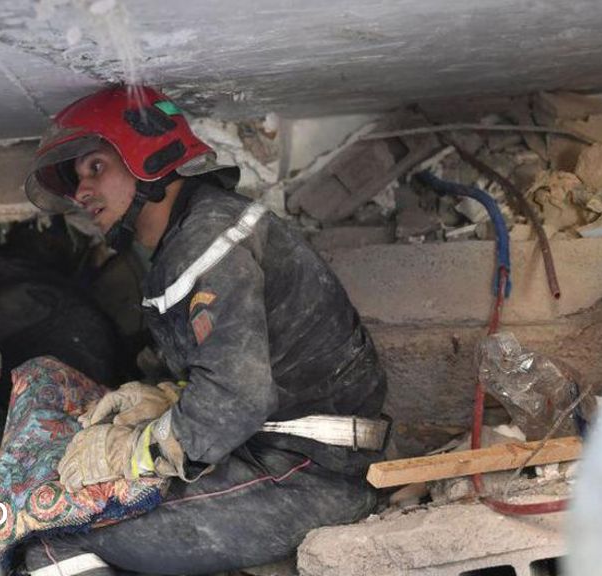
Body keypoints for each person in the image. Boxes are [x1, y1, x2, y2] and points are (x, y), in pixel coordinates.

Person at [21, 85, 389, 576]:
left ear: (149, 157)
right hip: (289, 460)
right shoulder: (195, 236)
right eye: (76, 179)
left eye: (95, 167)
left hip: (310, 474)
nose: (82, 192)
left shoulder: (208, 241)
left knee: (52, 544)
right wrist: (159, 400)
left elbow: (237, 397)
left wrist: (135, 451)